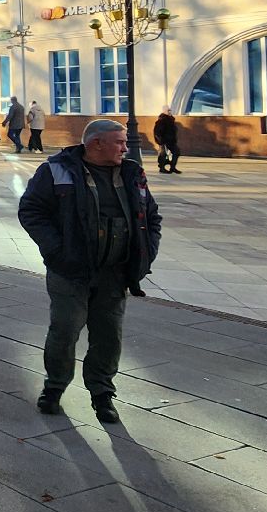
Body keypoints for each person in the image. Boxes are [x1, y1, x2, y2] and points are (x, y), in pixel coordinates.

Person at [17, 119, 162, 424]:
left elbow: (151, 216)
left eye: (125, 142)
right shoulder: (56, 170)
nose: (126, 147)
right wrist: (57, 252)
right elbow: (31, 211)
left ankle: (102, 395)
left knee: (109, 336)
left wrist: (145, 256)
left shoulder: (132, 173)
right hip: (70, 271)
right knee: (65, 330)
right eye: (120, 142)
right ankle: (54, 388)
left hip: (115, 272)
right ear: (96, 143)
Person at [153, 108, 183, 174]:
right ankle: (162, 168)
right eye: (168, 110)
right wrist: (160, 141)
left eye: (170, 110)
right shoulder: (161, 120)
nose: (170, 112)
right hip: (164, 141)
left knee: (176, 152)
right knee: (163, 154)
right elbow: (157, 132)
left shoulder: (171, 120)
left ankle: (172, 167)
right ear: (164, 111)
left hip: (171, 141)